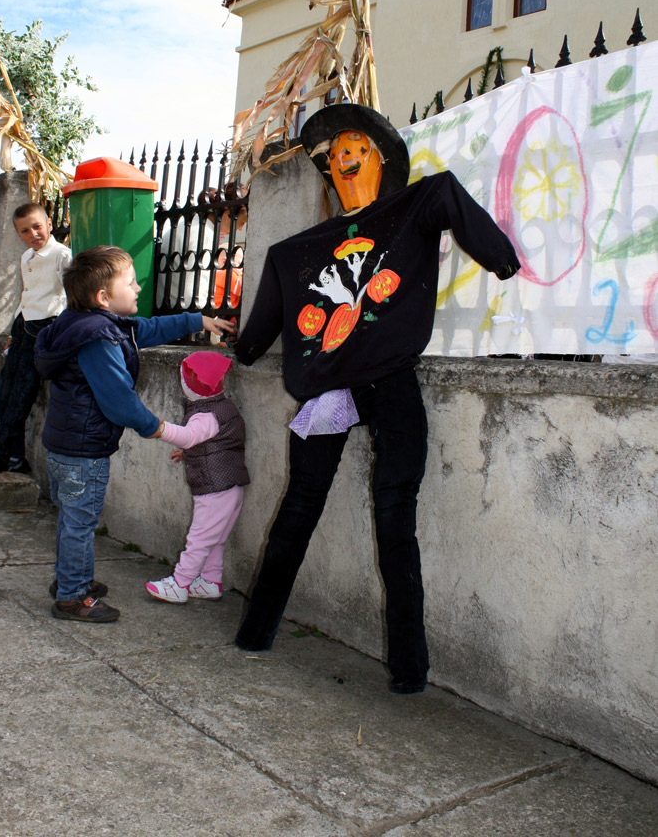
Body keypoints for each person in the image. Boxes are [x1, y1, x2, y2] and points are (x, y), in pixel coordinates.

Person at [233, 103, 521, 694]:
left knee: (395, 516)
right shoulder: (295, 251)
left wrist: (501, 257)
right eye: (333, 150)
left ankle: (409, 668)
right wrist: (238, 345)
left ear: (380, 156)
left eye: (355, 144)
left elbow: (446, 196)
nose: (342, 154)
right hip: (328, 388)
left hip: (390, 377)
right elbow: (256, 335)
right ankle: (254, 631)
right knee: (299, 506)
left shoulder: (413, 204)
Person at [34, 245, 234, 624]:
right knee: (80, 524)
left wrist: (198, 320)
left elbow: (148, 329)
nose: (139, 287)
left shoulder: (83, 324)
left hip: (64, 447)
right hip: (83, 451)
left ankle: (69, 580)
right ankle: (73, 596)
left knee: (71, 520)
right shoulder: (98, 338)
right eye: (130, 282)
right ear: (104, 297)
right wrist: (156, 428)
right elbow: (117, 400)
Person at [145, 350, 249, 604]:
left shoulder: (204, 415)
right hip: (229, 486)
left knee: (200, 538)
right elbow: (214, 441)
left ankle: (180, 584)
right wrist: (189, 452)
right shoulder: (222, 406)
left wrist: (161, 429)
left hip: (214, 488)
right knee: (215, 539)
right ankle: (210, 582)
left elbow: (191, 435)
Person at [0, 203, 71, 476]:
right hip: (22, 326)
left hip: (45, 328)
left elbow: (71, 297)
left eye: (37, 226)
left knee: (22, 394)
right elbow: (26, 294)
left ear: (49, 223)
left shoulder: (62, 255)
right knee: (6, 390)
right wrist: (14, 331)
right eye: (25, 231)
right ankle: (16, 459)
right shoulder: (26, 257)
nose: (33, 233)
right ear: (19, 235)